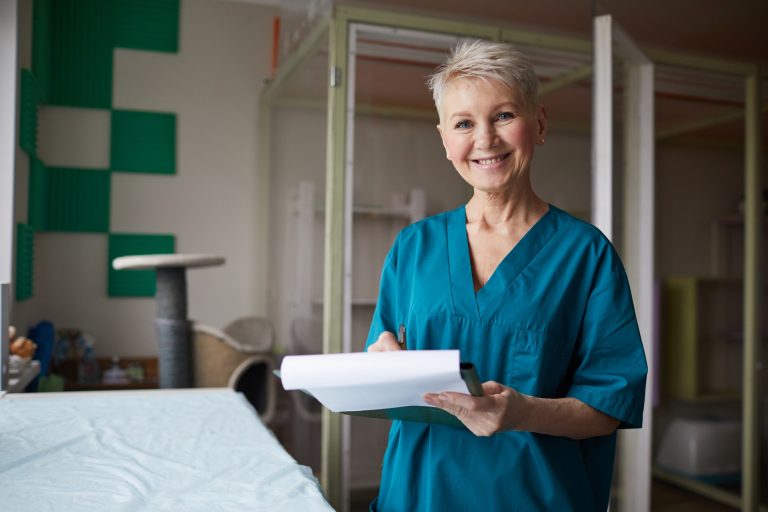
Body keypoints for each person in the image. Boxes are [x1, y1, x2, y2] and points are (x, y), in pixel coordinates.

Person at [365, 39, 647, 512]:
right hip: (417, 496)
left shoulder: (585, 254)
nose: (485, 140)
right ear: (445, 140)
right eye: (464, 124)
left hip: (534, 498)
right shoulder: (413, 248)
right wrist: (379, 364)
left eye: (503, 116)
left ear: (539, 124)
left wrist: (523, 413)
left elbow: (609, 406)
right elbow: (382, 368)